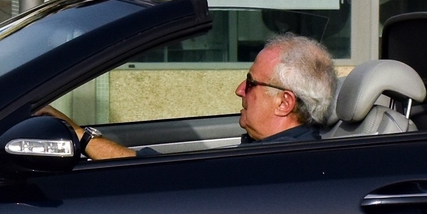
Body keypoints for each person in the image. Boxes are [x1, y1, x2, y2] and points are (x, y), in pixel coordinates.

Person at [54, 33, 338, 160]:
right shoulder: (275, 152)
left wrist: (82, 137)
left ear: (284, 103)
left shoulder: (272, 165)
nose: (239, 89)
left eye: (251, 83)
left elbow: (163, 180)